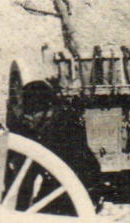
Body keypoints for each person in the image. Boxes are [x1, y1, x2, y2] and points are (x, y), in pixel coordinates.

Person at [10, 80, 101, 208]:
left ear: (49, 111)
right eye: (26, 112)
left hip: (74, 189)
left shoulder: (67, 128)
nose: (28, 117)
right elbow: (26, 174)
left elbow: (83, 168)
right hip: (52, 184)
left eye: (33, 112)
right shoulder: (31, 129)